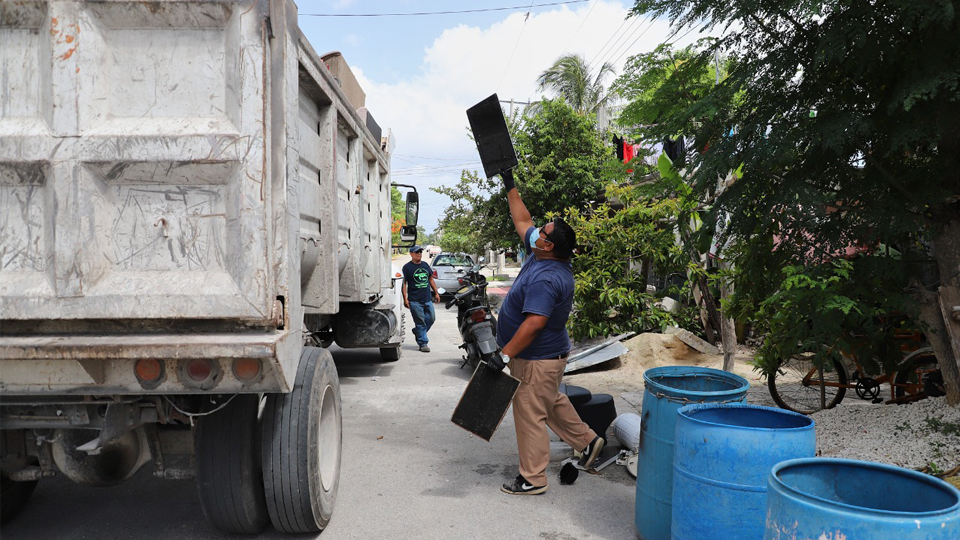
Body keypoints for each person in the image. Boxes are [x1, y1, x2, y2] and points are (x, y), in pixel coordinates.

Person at [494, 170, 604, 495]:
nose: (536, 230)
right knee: (548, 400)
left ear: (548, 244)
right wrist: (509, 182)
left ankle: (532, 478)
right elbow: (522, 219)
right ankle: (588, 441)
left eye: (542, 231)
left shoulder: (547, 277)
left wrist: (504, 354)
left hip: (536, 358)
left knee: (530, 412)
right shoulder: (539, 253)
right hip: (548, 359)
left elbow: (534, 323)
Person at [402, 245, 441, 352]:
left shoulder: (425, 265)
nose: (419, 253)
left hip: (427, 299)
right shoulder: (407, 267)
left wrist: (436, 293)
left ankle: (418, 332)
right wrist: (405, 299)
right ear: (411, 254)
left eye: (420, 251)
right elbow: (404, 284)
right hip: (415, 300)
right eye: (416, 252)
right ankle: (423, 343)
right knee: (420, 322)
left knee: (431, 319)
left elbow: (430, 279)